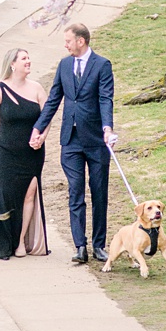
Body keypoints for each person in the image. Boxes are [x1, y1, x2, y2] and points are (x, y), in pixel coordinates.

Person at [33, 21, 115, 264]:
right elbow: (53, 100)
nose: (65, 45)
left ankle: (99, 245)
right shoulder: (64, 64)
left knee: (99, 192)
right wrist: (38, 128)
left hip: (96, 141)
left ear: (81, 41)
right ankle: (80, 246)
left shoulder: (102, 65)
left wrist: (107, 127)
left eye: (68, 41)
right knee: (75, 191)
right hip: (70, 140)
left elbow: (105, 98)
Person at [0, 46, 49, 260]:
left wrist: (42, 137)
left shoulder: (37, 89)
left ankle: (22, 242)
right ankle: (2, 243)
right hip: (5, 151)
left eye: (29, 57)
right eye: (23, 58)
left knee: (29, 194)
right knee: (5, 193)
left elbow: (47, 117)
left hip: (32, 152)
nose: (28, 61)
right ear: (12, 64)